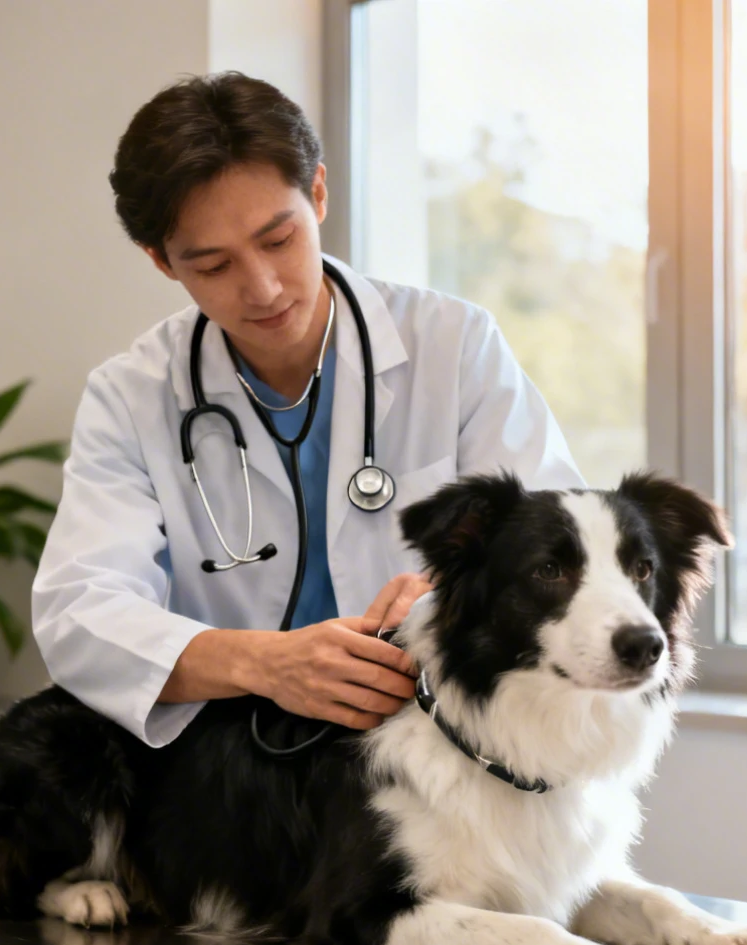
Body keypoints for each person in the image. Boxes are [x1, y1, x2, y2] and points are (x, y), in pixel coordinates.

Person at [32, 72, 583, 748]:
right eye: (213, 266)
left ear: (318, 192)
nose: (261, 288)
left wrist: (438, 600)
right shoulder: (132, 397)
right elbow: (79, 614)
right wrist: (265, 663)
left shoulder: (453, 347)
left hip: (433, 746)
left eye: (277, 240)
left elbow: (561, 549)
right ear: (161, 262)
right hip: (235, 772)